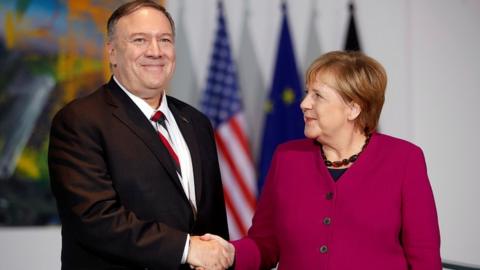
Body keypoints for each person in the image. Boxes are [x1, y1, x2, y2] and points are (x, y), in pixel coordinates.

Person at [48, 1, 233, 269]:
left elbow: (212, 223)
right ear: (112, 53)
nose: (155, 51)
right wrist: (186, 249)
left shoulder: (196, 122)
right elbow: (95, 218)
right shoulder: (79, 121)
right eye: (139, 40)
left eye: (165, 40)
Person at [230, 51, 442, 269]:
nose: (304, 104)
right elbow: (265, 244)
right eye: (306, 93)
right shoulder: (287, 158)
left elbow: (424, 258)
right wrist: (229, 254)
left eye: (317, 96)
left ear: (353, 109)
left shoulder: (404, 159)